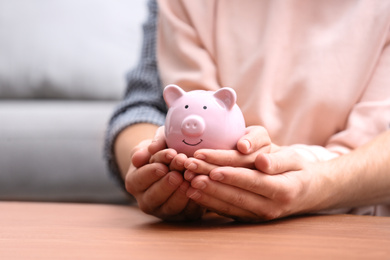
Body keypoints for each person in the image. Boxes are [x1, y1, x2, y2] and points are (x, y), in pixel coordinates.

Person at [105, 0, 390, 221]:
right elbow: (142, 106)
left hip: (358, 220)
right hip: (205, 226)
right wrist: (150, 164)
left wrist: (319, 183)